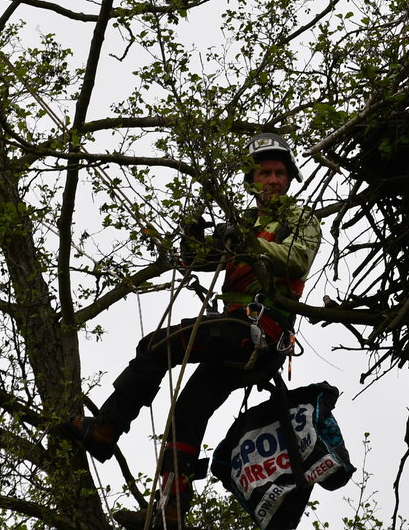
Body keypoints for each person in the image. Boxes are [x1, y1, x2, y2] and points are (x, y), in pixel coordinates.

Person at [55, 132, 322, 529]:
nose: (272, 180)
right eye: (264, 172)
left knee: (155, 345)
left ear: (289, 178)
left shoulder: (298, 219)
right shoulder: (245, 223)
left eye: (279, 172)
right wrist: (195, 232)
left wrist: (245, 241)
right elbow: (198, 259)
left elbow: (298, 260)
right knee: (186, 413)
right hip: (236, 336)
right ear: (252, 181)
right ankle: (170, 513)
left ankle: (107, 428)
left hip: (259, 331)